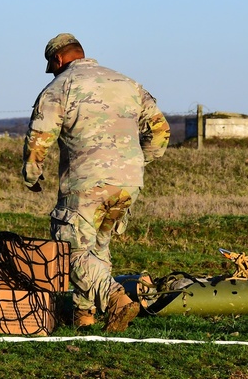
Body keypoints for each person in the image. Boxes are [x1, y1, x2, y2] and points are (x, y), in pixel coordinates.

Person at [22, 33, 169, 332]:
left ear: (58, 59)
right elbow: (160, 132)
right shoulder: (128, 84)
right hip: (128, 183)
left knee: (70, 249)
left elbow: (40, 137)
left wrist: (32, 174)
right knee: (97, 250)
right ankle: (84, 318)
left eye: (52, 66)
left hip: (86, 182)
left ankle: (115, 298)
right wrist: (137, 162)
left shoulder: (60, 86)